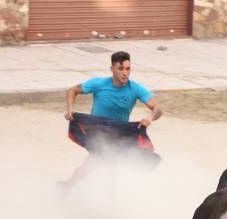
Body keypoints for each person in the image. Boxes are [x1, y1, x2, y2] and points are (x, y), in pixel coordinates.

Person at [61, 51, 162, 189]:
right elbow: (72, 90)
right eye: (120, 69)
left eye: (128, 69)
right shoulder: (98, 84)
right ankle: (69, 188)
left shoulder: (135, 88)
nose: (125, 73)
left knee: (100, 167)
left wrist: (150, 117)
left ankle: (68, 187)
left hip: (119, 135)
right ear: (112, 69)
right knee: (99, 167)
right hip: (97, 133)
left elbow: (157, 108)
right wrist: (70, 109)